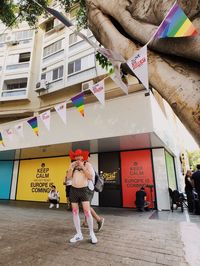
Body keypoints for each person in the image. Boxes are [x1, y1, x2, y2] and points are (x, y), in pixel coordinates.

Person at [67, 149, 98, 244]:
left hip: (84, 190)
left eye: (79, 156)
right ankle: (79, 234)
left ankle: (92, 233)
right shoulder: (72, 165)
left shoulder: (87, 165)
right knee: (75, 212)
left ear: (83, 157)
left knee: (87, 212)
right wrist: (71, 168)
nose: (77, 158)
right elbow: (68, 177)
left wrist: (82, 167)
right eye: (76, 156)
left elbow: (90, 177)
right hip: (73, 190)